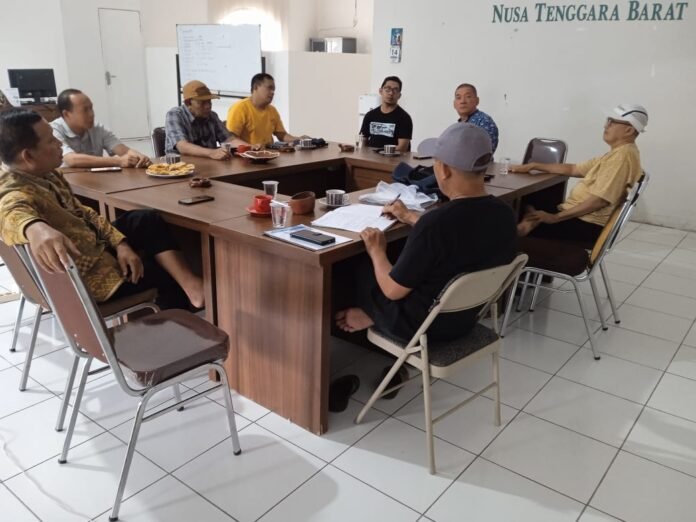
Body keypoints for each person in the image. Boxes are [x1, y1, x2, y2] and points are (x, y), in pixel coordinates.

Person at [0, 108, 204, 310]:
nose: (59, 143)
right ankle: (178, 321)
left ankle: (191, 287)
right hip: (92, 280)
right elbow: (10, 210)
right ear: (28, 156)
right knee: (163, 269)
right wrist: (35, 228)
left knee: (145, 219)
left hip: (95, 247)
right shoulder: (13, 189)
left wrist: (120, 243)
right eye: (51, 141)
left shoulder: (47, 174)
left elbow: (84, 213)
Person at [335, 123, 516, 341]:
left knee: (363, 265)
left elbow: (392, 290)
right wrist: (410, 217)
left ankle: (371, 315)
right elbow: (460, 232)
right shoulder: (505, 214)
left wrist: (377, 250)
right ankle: (373, 314)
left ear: (444, 170)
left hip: (420, 328)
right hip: (464, 320)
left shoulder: (435, 224)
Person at [511, 103, 647, 244]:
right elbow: (574, 169)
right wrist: (534, 165)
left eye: (612, 122)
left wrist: (555, 218)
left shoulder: (622, 157)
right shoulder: (618, 153)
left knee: (508, 216)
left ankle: (518, 236)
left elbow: (599, 201)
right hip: (577, 217)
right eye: (608, 121)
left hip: (585, 225)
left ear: (629, 130)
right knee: (529, 202)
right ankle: (525, 225)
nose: (606, 126)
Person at [50, 89, 152, 168]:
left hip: (96, 182)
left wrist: (140, 157)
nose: (91, 114)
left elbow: (123, 150)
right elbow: (71, 160)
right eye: (85, 110)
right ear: (67, 114)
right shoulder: (53, 130)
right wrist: (118, 161)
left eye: (91, 108)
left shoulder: (97, 128)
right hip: (68, 184)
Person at [165, 80, 247, 160]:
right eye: (202, 102)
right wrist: (212, 153)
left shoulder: (212, 116)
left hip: (208, 164)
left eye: (209, 101)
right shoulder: (175, 115)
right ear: (188, 103)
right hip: (180, 166)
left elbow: (229, 140)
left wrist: (250, 148)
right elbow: (182, 146)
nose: (208, 106)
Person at [225, 73, 305, 148]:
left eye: (273, 90)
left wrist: (299, 139)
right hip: (246, 155)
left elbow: (282, 135)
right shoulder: (240, 108)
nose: (272, 92)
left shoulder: (272, 110)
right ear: (256, 87)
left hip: (268, 154)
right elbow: (231, 139)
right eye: (269, 88)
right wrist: (252, 148)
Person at [359, 76, 413, 153]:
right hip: (370, 157)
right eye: (387, 89)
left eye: (395, 90)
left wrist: (380, 152)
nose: (391, 93)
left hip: (393, 159)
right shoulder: (370, 115)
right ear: (381, 91)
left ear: (399, 95)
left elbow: (402, 148)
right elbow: (363, 141)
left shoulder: (404, 118)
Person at [453, 83, 499, 153]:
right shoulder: (458, 126)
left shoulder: (484, 122)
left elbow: (484, 154)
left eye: (468, 96)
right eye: (458, 98)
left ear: (477, 101)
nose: (462, 101)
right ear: (454, 104)